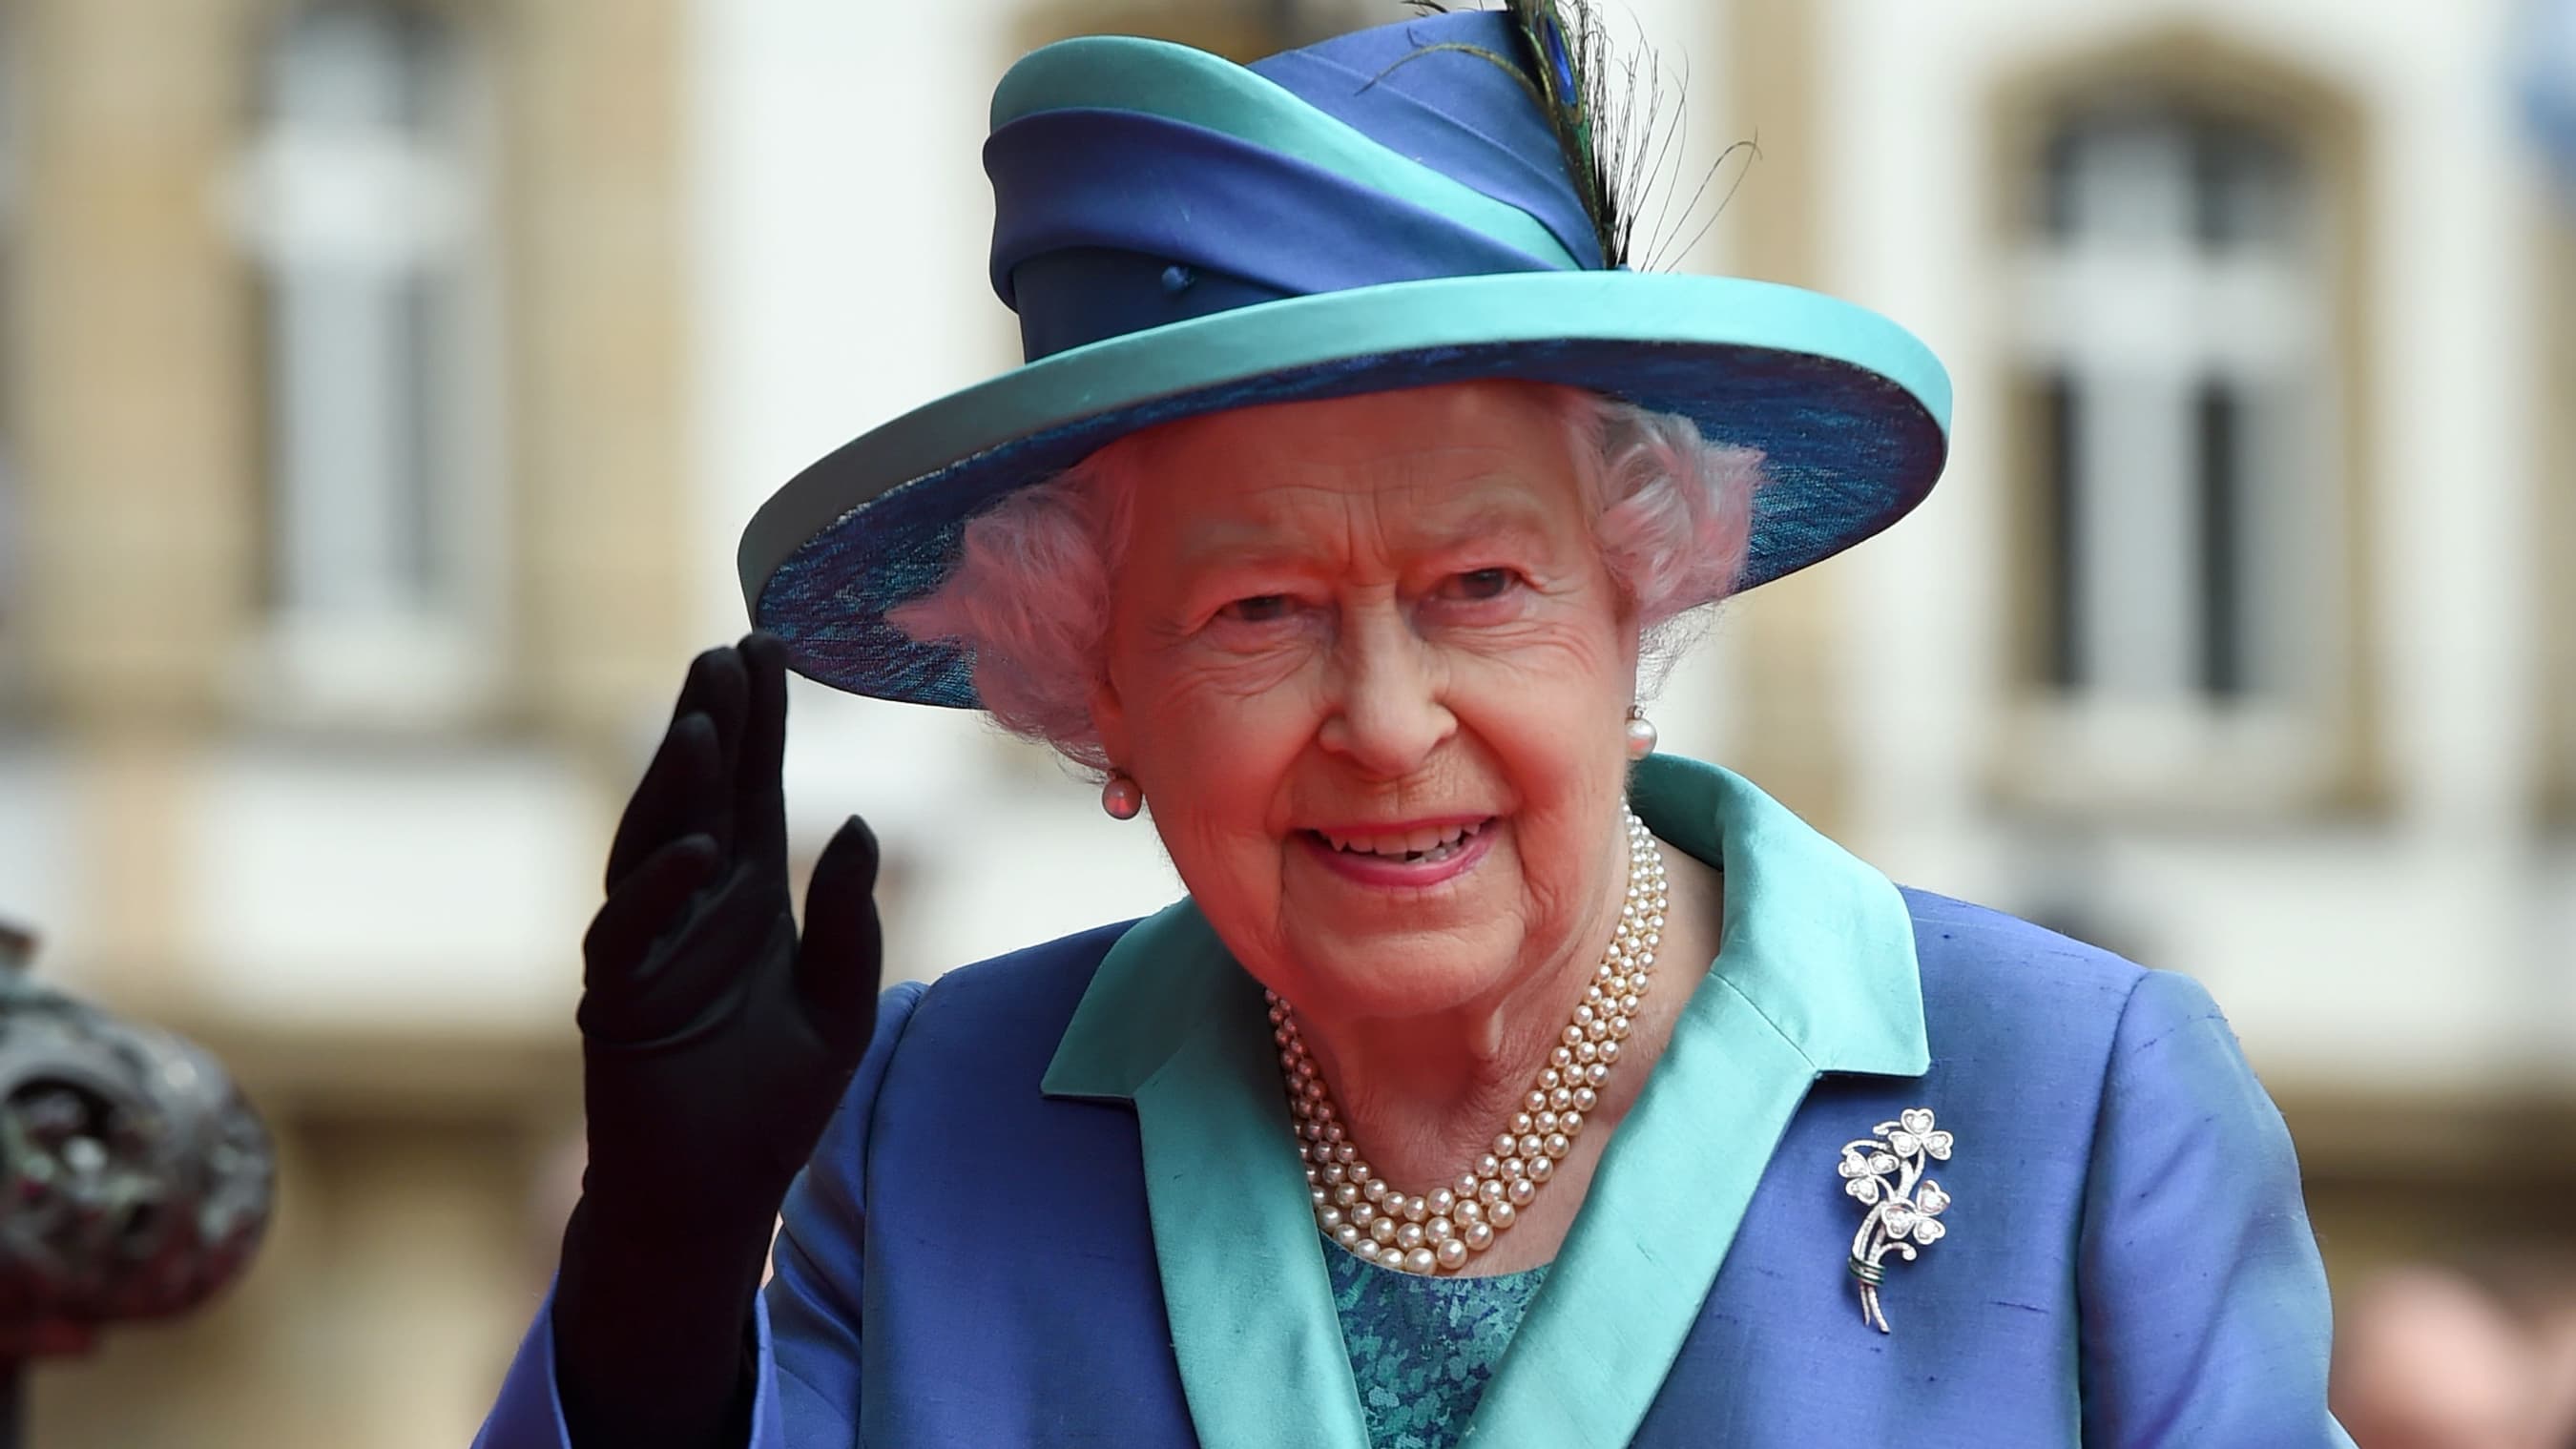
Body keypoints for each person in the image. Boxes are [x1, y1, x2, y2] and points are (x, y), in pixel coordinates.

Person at [476, 6, 2354, 1446]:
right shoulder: (932, 1120)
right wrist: (657, 1279)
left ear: (1638, 601)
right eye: (1257, 612)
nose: (1384, 723)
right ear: (1095, 689)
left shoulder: (2078, 1101)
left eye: (1480, 588)